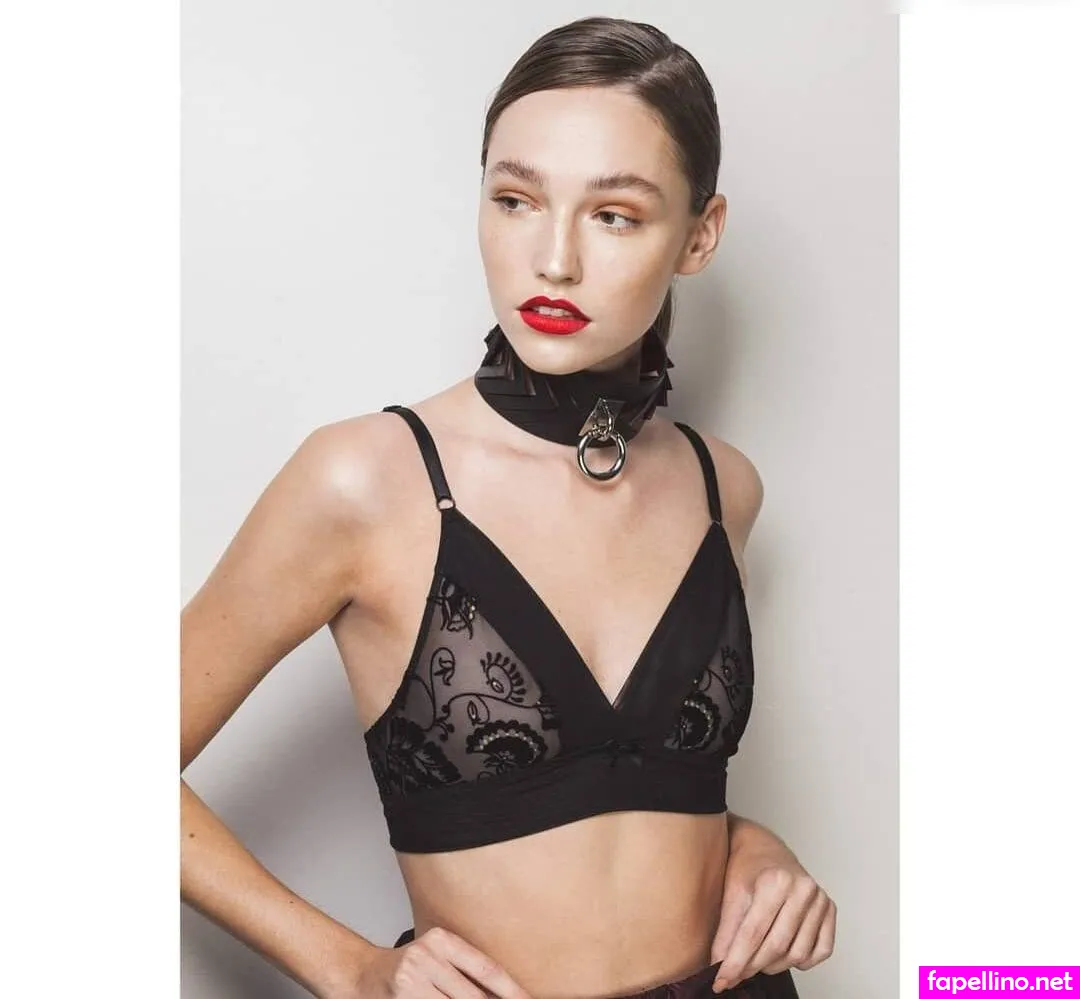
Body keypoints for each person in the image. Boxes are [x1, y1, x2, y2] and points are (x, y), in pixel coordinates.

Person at [181, 16, 836, 999]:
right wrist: (349, 965)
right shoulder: (367, 480)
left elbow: (636, 802)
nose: (554, 259)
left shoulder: (721, 487)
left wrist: (756, 846)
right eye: (517, 200)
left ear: (699, 235)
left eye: (614, 215)